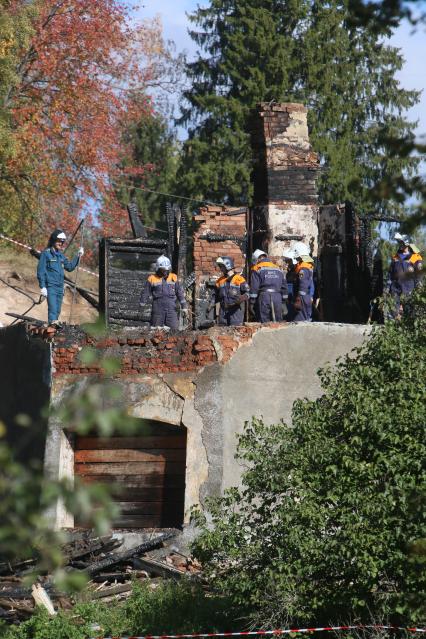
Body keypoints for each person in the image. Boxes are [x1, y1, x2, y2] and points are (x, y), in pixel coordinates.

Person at [37, 229, 84, 325]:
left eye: (62, 242)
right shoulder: (46, 254)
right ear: (54, 240)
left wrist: (78, 256)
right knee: (53, 310)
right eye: (59, 241)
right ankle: (52, 328)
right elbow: (40, 271)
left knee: (57, 310)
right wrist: (42, 286)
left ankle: (53, 328)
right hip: (51, 287)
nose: (60, 243)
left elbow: (70, 267)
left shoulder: (61, 256)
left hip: (60, 287)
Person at [140, 255, 188, 329]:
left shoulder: (173, 277)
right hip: (158, 308)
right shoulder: (152, 278)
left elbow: (179, 293)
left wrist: (184, 306)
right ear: (158, 269)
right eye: (163, 270)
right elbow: (146, 292)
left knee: (174, 330)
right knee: (156, 330)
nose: (165, 272)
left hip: (171, 308)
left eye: (167, 270)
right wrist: (142, 304)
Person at [388, 233, 423, 318]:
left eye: (402, 243)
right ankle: (394, 326)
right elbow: (390, 273)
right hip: (395, 287)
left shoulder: (416, 257)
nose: (400, 245)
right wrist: (388, 285)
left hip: (409, 288)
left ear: (407, 244)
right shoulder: (395, 257)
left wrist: (417, 285)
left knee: (409, 312)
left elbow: (419, 274)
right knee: (393, 311)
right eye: (399, 243)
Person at [249, 249, 288, 322]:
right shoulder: (278, 268)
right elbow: (284, 286)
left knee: (264, 321)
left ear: (258, 258)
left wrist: (252, 302)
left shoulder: (257, 268)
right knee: (278, 321)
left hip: (264, 296)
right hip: (277, 296)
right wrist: (284, 301)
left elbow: (254, 287)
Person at [213, 256, 249, 326]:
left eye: (222, 266)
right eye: (220, 266)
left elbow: (248, 292)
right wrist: (211, 304)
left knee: (235, 331)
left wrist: (243, 297)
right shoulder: (219, 281)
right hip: (223, 312)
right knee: (222, 332)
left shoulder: (239, 279)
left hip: (235, 311)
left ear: (228, 265)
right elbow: (215, 296)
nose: (220, 269)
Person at [292, 242, 314, 322]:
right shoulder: (308, 265)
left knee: (300, 321)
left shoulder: (303, 268)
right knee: (306, 319)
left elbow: (303, 284)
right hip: (306, 297)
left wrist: (299, 298)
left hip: (303, 298)